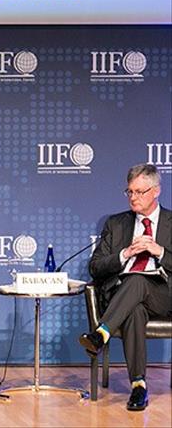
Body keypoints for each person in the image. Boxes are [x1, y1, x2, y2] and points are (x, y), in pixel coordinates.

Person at [79, 164, 171, 411]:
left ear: (156, 191)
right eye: (130, 191)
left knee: (138, 280)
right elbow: (95, 267)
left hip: (163, 294)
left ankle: (101, 333)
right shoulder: (116, 224)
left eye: (139, 192)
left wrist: (159, 251)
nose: (133, 197)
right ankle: (138, 386)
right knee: (134, 310)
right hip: (124, 295)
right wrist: (125, 254)